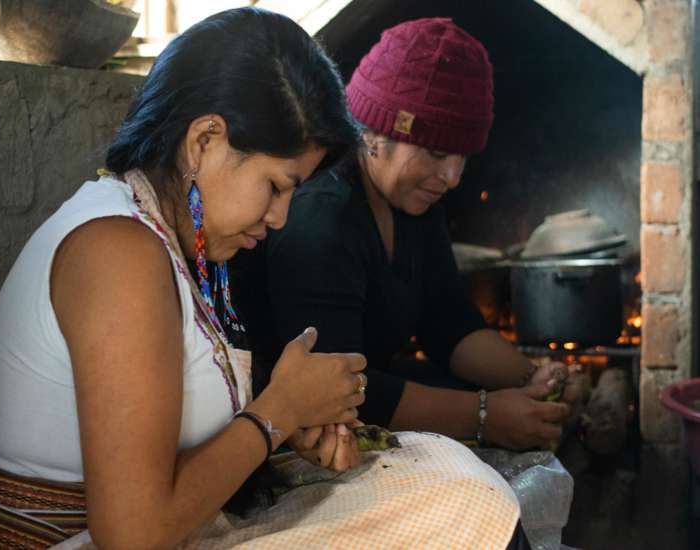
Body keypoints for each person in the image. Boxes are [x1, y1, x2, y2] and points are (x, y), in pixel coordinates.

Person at [0, 8, 523, 549]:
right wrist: (277, 413)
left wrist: (288, 426)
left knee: (449, 482)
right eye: (276, 186)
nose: (280, 217)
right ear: (204, 141)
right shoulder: (118, 255)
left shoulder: (169, 240)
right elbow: (132, 533)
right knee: (465, 505)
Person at [238, 17, 582, 452]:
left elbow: (450, 324)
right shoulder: (320, 215)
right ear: (373, 134)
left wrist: (532, 378)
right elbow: (333, 386)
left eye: (462, 157)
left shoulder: (414, 202)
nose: (453, 177)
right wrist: (485, 417)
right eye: (436, 153)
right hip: (299, 434)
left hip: (364, 399)